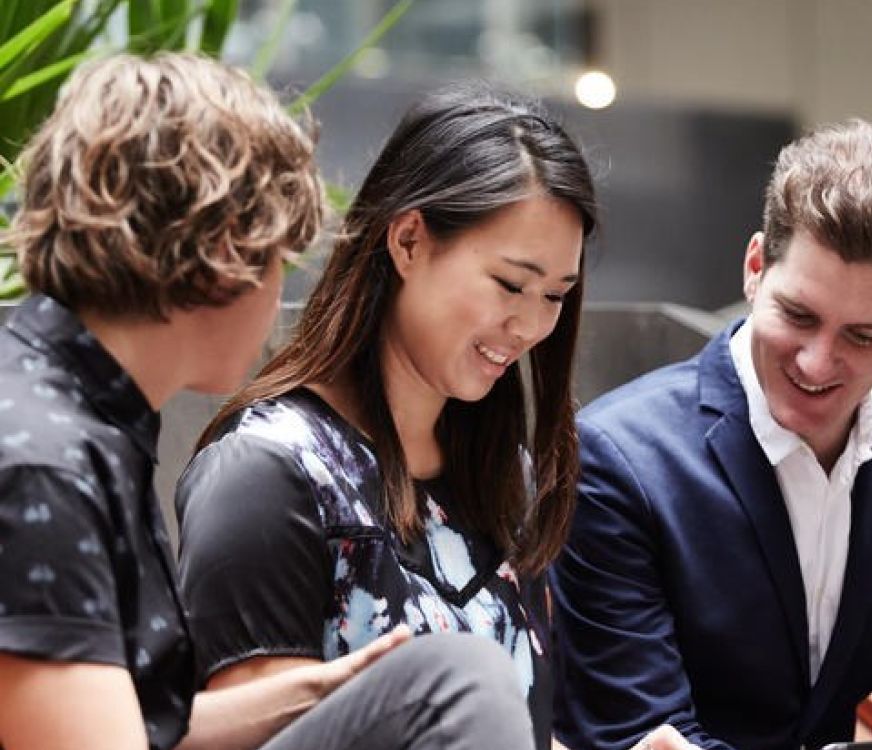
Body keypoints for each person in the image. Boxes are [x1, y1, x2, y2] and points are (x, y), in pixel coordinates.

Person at [0, 53, 536, 750]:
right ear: (227, 252)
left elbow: (133, 729)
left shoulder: (71, 420)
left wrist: (341, 688)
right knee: (458, 681)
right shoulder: (43, 462)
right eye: (282, 257)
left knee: (443, 679)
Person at [173, 83, 600, 750]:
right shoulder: (268, 472)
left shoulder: (507, 479)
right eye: (511, 285)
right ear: (407, 241)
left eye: (555, 295)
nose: (531, 325)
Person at [550, 120, 872, 750]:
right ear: (755, 267)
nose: (817, 363)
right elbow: (641, 732)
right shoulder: (615, 459)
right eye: (798, 315)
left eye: (861, 335)